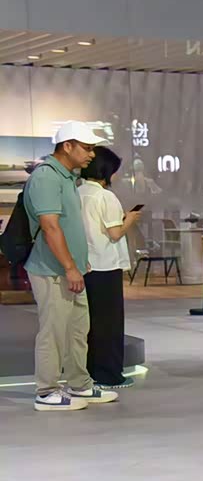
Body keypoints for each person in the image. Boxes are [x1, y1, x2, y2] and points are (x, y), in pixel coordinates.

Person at [25, 123, 118, 412]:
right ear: (67, 146)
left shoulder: (67, 177)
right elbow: (50, 226)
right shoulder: (46, 177)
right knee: (53, 331)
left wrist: (77, 262)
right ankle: (46, 391)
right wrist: (69, 266)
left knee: (78, 329)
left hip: (71, 269)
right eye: (86, 148)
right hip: (52, 270)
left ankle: (80, 384)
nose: (91, 154)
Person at [80, 147, 142, 389]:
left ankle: (91, 371)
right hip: (106, 266)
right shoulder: (105, 197)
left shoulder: (78, 192)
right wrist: (130, 220)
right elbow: (115, 233)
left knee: (90, 323)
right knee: (110, 323)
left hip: (86, 265)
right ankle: (110, 375)